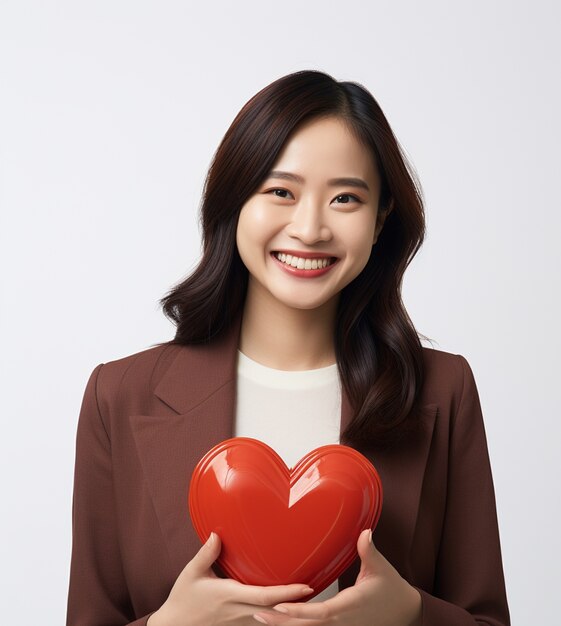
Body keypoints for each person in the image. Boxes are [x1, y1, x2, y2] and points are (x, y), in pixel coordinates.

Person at [66, 70, 510, 626]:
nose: (310, 228)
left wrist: (411, 613)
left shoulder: (443, 390)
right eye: (281, 191)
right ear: (234, 203)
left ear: (380, 220)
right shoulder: (121, 395)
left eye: (346, 197)